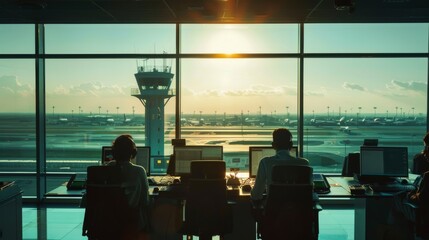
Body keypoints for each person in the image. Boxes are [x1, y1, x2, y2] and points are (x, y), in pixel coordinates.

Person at [108, 134, 150, 239]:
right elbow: (145, 200)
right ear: (133, 153)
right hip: (131, 223)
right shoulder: (139, 171)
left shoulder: (105, 169)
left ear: (114, 153)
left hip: (107, 222)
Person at [250, 128, 309, 201]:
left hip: (274, 210)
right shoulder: (304, 163)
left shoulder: (265, 162)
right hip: (298, 211)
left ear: (273, 145)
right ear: (291, 145)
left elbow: (256, 195)